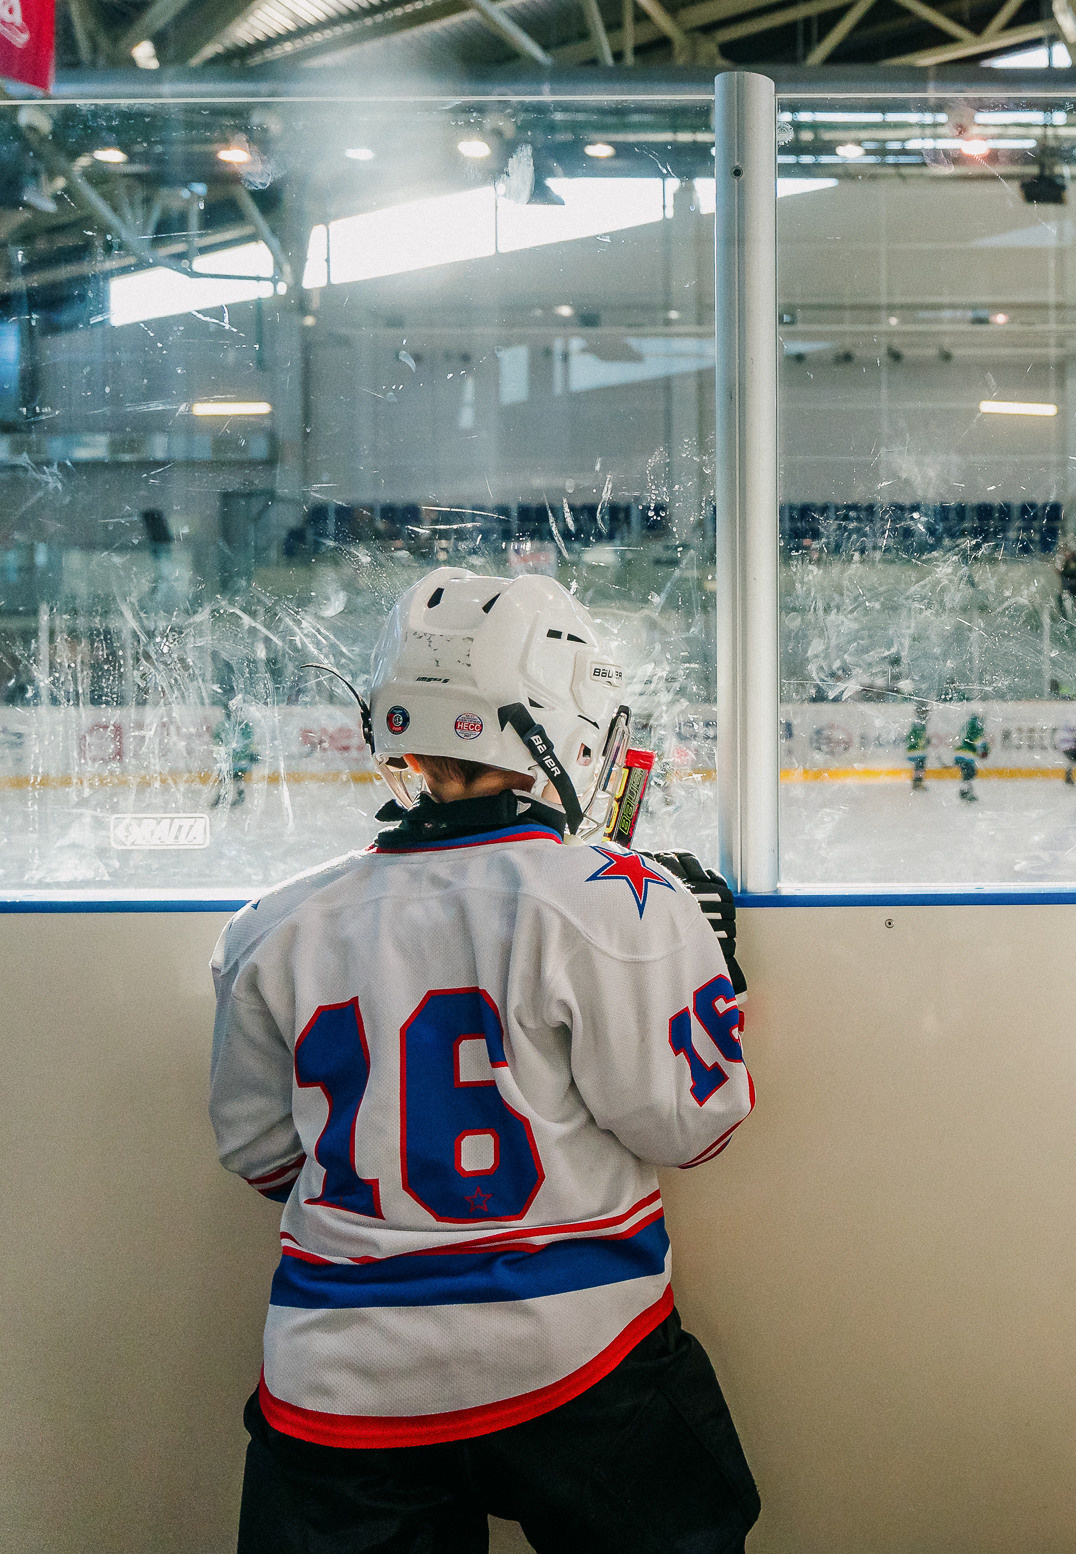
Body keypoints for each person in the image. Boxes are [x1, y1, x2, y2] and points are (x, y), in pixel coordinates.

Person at [210, 567, 757, 1552]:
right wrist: (710, 967)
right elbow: (692, 1124)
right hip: (584, 1358)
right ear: (572, 715)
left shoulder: (270, 926)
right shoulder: (624, 899)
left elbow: (263, 1160)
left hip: (339, 1385)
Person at [212, 699, 260, 808]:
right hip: (228, 759)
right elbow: (216, 740)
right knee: (225, 779)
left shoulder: (244, 726)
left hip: (240, 759)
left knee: (238, 779)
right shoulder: (222, 726)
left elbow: (249, 741)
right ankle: (223, 797)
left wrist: (250, 753)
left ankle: (239, 796)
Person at [954, 708, 989, 803]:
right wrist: (984, 748)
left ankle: (965, 791)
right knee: (969, 773)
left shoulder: (966, 724)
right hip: (966, 754)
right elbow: (978, 739)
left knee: (967, 773)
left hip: (959, 753)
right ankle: (965, 792)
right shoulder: (976, 726)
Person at [1056, 544, 1076, 623]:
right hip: (1068, 586)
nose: (1065, 554)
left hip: (1075, 586)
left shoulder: (1075, 562)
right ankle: (1064, 619)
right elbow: (1063, 574)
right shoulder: (1066, 562)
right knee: (1061, 600)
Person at [1056, 704, 1076, 785]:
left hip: (1065, 745)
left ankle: (1069, 777)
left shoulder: (1071, 717)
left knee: (1072, 762)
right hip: (1070, 745)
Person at [905, 699, 930, 791]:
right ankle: (917, 782)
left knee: (919, 766)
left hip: (915, 749)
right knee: (920, 765)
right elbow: (917, 736)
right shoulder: (920, 723)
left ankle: (917, 782)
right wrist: (923, 742)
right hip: (916, 749)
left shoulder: (918, 723)